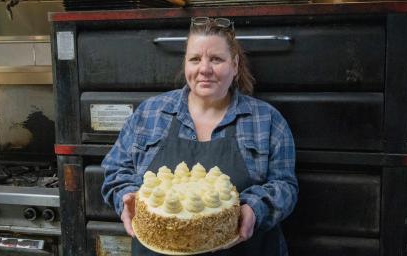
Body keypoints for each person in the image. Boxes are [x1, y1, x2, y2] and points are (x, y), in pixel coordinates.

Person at [101, 16, 298, 256]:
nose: (204, 69)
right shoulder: (149, 114)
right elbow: (115, 171)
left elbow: (285, 186)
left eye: (216, 59)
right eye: (195, 59)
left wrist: (254, 209)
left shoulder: (267, 120)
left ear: (235, 65)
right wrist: (127, 198)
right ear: (185, 64)